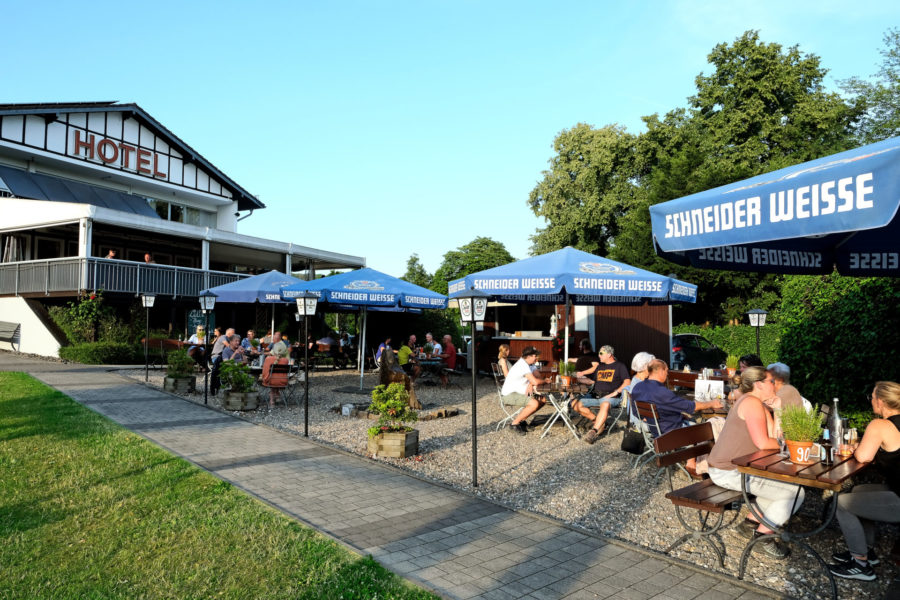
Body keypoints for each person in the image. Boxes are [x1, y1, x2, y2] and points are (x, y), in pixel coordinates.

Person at [707, 366, 802, 560]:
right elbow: (764, 443)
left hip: (735, 467)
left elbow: (774, 437)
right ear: (759, 384)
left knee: (788, 487)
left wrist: (778, 411)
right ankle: (762, 538)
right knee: (794, 492)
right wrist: (791, 446)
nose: (775, 385)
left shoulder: (756, 402)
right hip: (727, 471)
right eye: (771, 382)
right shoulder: (751, 403)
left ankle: (751, 523)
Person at [828, 381, 900, 582]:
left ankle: (860, 565)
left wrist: (855, 449)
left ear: (881, 401)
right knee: (859, 491)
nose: (871, 402)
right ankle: (866, 551)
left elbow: (863, 457)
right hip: (896, 489)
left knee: (842, 503)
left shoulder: (881, 424)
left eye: (872, 398)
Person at [632, 359, 723, 438]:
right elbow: (691, 407)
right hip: (670, 433)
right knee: (708, 430)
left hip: (652, 429)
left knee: (691, 421)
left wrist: (651, 419)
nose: (667, 374)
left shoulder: (637, 387)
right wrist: (712, 403)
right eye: (666, 371)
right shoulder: (662, 392)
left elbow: (636, 413)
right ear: (660, 371)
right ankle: (691, 455)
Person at [573, 344, 631, 444]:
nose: (599, 356)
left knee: (605, 404)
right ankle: (600, 422)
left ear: (609, 354)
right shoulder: (600, 367)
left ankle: (593, 431)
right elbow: (592, 382)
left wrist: (615, 392)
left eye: (601, 353)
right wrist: (578, 378)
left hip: (611, 398)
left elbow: (627, 382)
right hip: (596, 396)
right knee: (575, 404)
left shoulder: (620, 366)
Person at [501, 346, 550, 436]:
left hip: (519, 392)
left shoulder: (530, 364)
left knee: (542, 400)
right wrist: (544, 381)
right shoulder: (522, 365)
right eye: (535, 356)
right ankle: (514, 424)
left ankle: (521, 421)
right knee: (534, 403)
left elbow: (537, 377)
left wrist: (531, 384)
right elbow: (536, 380)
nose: (537, 358)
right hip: (509, 395)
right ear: (528, 356)